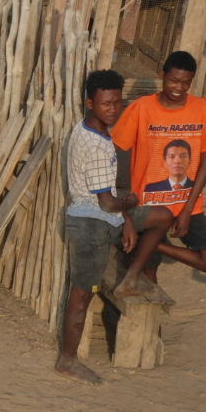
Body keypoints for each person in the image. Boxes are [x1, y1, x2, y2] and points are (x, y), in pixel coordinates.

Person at [114, 50, 206, 295]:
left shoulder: (204, 110)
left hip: (188, 205)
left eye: (186, 83)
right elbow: (114, 150)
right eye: (174, 81)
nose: (179, 88)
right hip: (149, 205)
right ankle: (146, 256)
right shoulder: (141, 108)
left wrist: (187, 210)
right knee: (148, 276)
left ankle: (154, 245)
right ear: (162, 75)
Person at [58, 69, 135, 385]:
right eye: (106, 104)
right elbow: (108, 204)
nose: (113, 109)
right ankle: (67, 361)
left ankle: (133, 276)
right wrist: (130, 204)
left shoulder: (89, 129)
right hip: (90, 226)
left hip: (98, 219)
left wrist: (127, 217)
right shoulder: (98, 147)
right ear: (90, 102)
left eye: (117, 102)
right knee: (82, 295)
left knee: (159, 218)